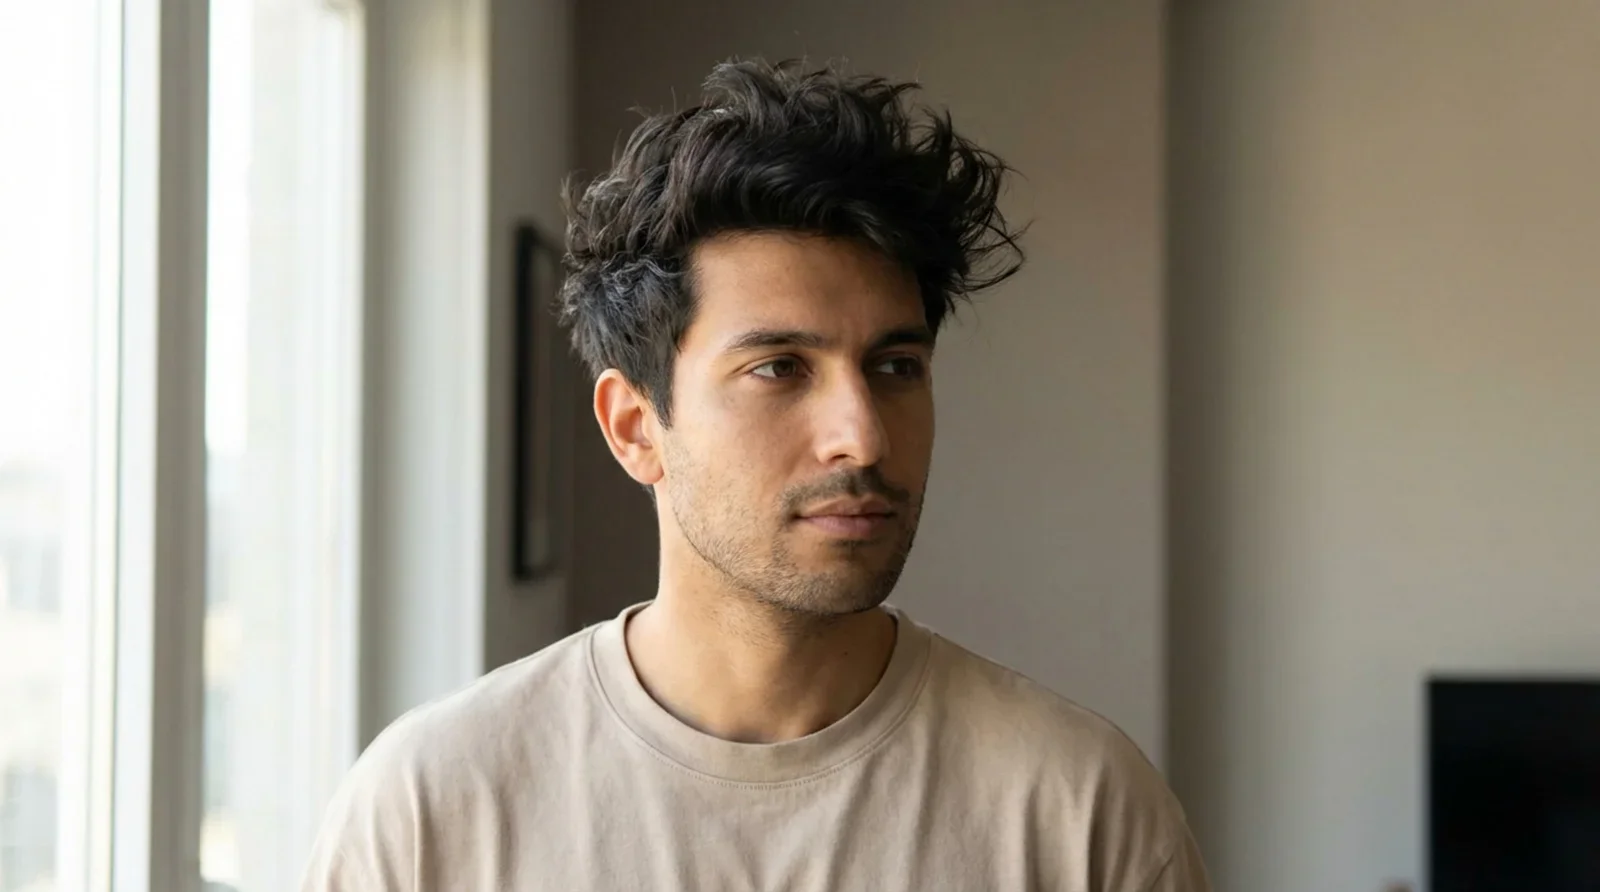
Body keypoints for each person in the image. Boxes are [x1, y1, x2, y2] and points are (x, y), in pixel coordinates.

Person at [301, 58, 1209, 891]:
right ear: (634, 428)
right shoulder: (433, 812)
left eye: (896, 367)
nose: (861, 437)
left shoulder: (1080, 812)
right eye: (779, 368)